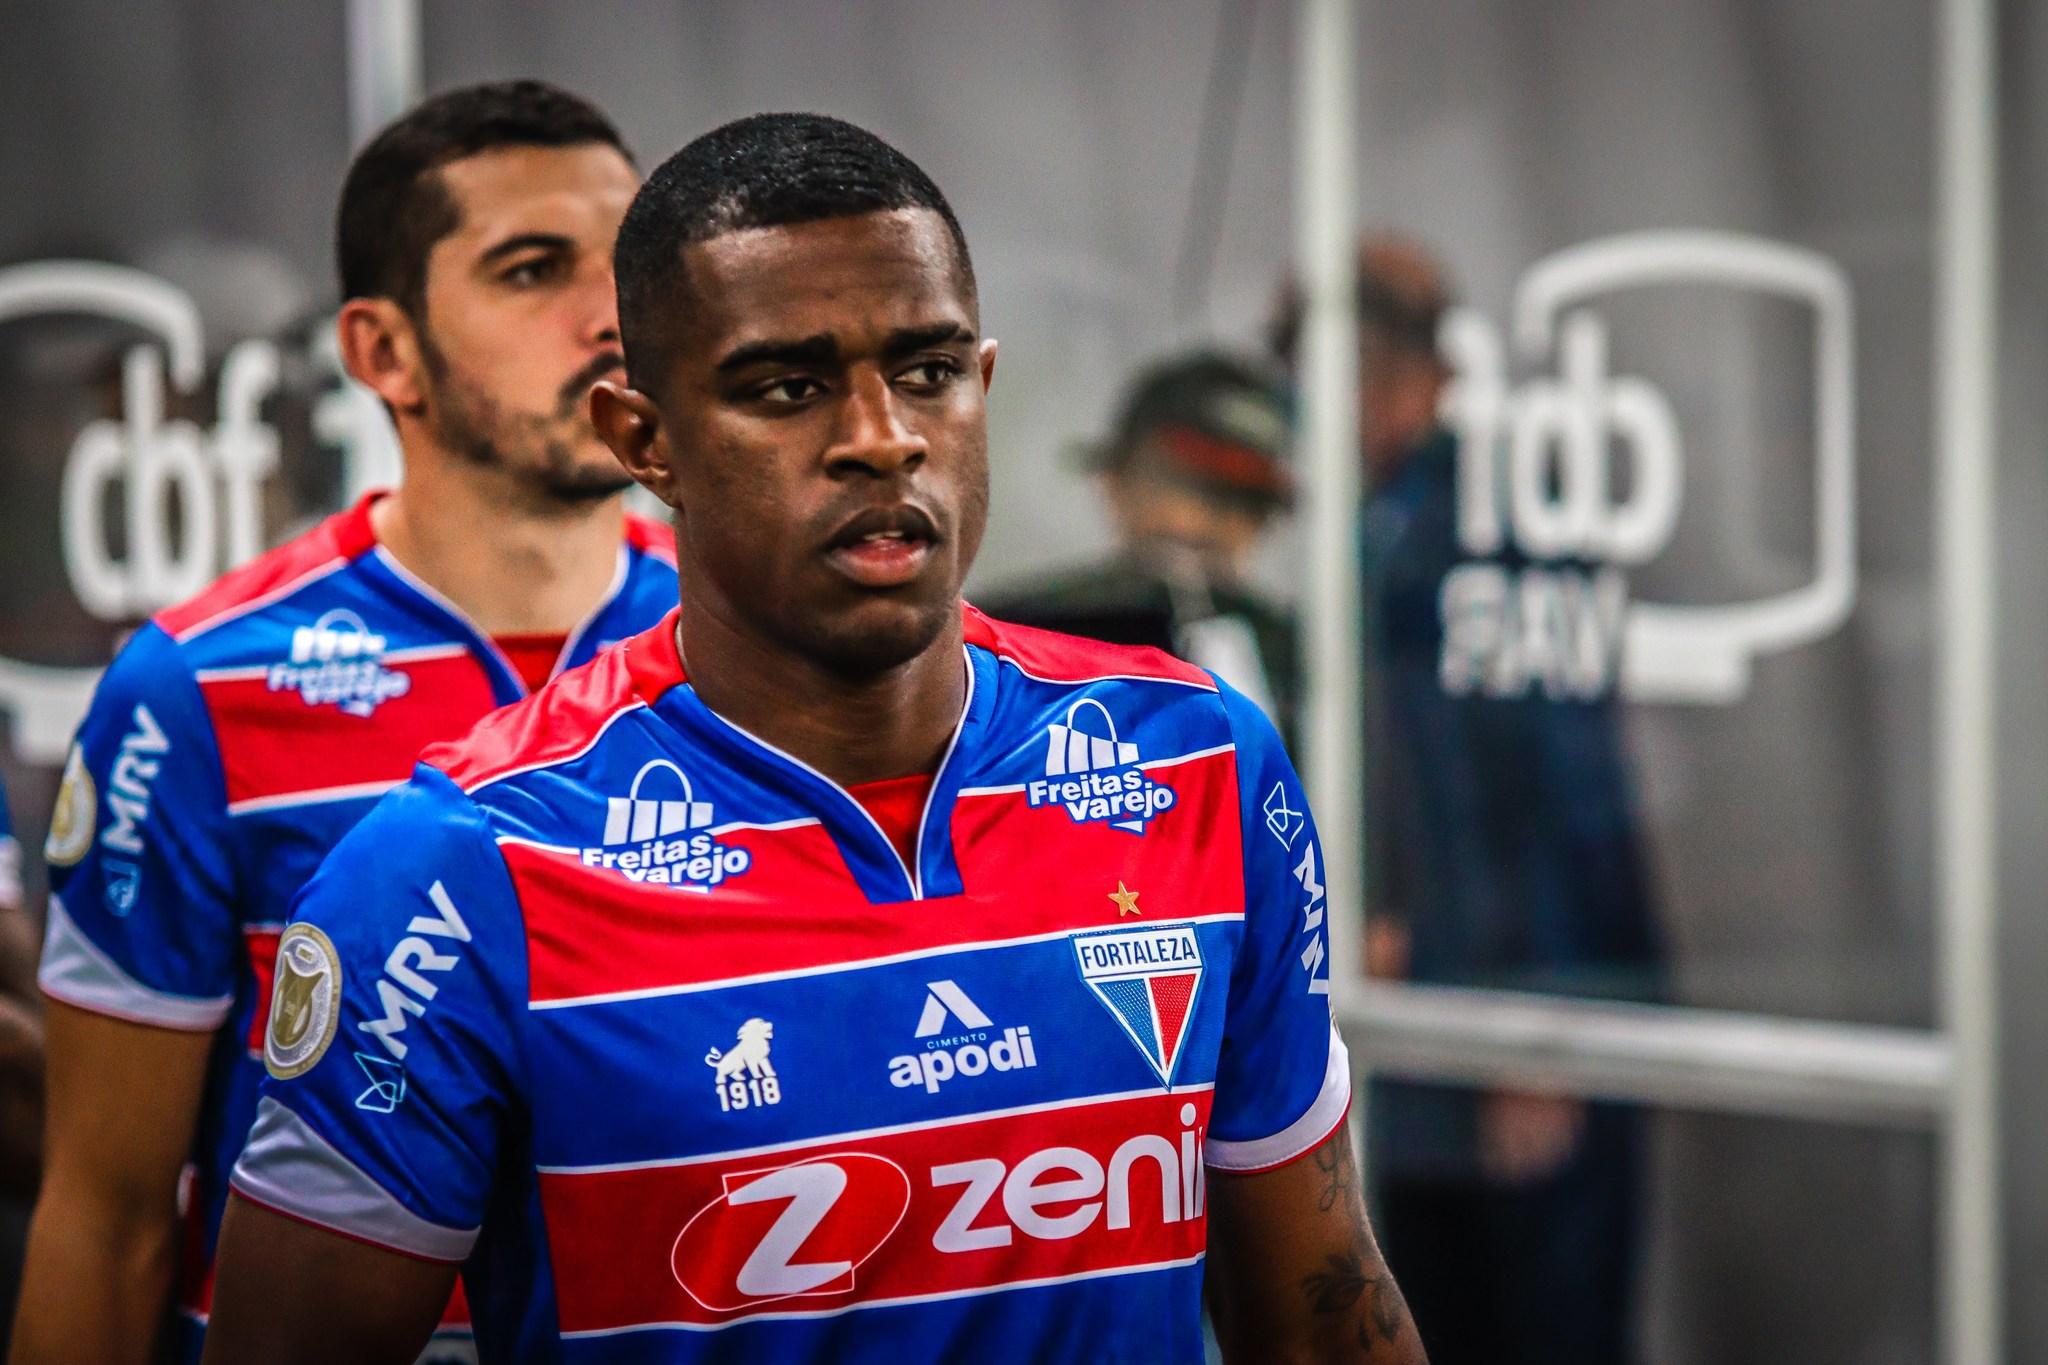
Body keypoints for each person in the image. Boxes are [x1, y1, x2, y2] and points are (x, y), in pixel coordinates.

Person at [201, 113, 1426, 1365]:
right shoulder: (456, 873)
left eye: (928, 371)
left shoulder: (1198, 766)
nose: (880, 436)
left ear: (982, 385)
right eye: (786, 388)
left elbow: (1322, 1306)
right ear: (643, 441)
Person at [11, 81, 680, 1365]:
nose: (613, 316)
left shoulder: (751, 656)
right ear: (382, 354)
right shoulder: (196, 689)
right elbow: (105, 1219)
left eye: (629, 263)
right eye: (533, 268)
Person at [1275, 236, 1663, 1365]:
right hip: (1439, 1031)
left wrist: (1532, 1034)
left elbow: (1547, 798)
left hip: (1520, 1021)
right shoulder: (1385, 526)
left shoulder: (1486, 531)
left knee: (1540, 1320)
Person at [980, 351, 1300, 745]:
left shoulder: (1308, 664)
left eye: (1242, 503)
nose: (1201, 521)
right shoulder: (1008, 644)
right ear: (1116, 483)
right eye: (1179, 484)